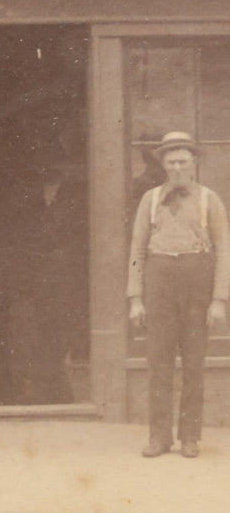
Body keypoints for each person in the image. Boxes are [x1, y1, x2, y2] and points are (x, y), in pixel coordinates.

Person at [127, 131, 229, 459]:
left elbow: (224, 249)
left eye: (183, 161)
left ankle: (190, 437)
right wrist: (136, 298)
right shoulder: (150, 199)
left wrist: (219, 299)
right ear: (163, 164)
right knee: (158, 362)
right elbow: (137, 249)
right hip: (159, 280)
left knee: (194, 362)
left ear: (194, 162)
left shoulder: (208, 199)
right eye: (171, 162)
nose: (177, 168)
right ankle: (159, 437)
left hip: (197, 278)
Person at [8, 163, 85, 405]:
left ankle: (62, 396)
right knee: (30, 335)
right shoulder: (26, 199)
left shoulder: (76, 197)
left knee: (61, 335)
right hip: (33, 280)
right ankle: (36, 392)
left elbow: (82, 237)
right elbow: (18, 240)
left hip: (66, 279)